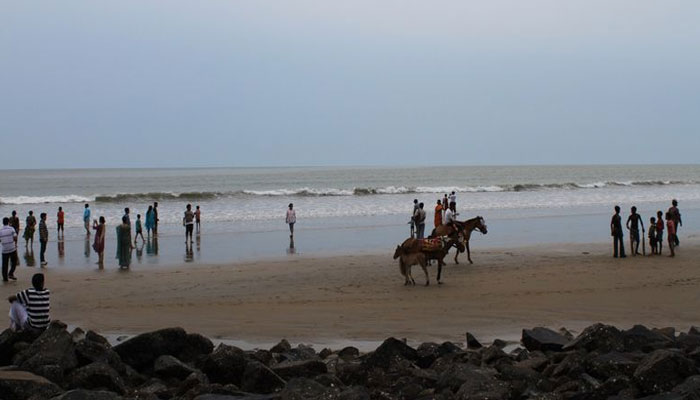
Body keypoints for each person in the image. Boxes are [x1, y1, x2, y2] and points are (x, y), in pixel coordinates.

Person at [1, 218, 18, 282]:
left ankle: (5, 278)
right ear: (8, 222)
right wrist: (15, 243)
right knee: (14, 262)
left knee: (4, 264)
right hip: (12, 248)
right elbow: (15, 237)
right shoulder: (11, 228)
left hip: (4, 249)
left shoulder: (0, 230)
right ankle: (11, 273)